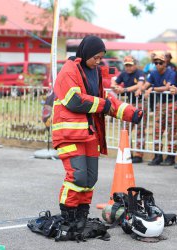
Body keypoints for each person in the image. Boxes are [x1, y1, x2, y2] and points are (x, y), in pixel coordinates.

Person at [52, 35, 143, 238]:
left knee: (90, 179)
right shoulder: (69, 71)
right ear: (85, 54)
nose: (98, 61)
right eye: (96, 57)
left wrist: (131, 113)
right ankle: (68, 216)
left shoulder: (95, 73)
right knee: (77, 176)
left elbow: (106, 100)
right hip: (69, 135)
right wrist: (104, 105)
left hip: (89, 134)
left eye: (101, 57)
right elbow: (74, 101)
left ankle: (81, 216)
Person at [140, 53, 177, 166]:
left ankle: (171, 156)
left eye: (160, 63)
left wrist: (152, 88)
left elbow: (167, 87)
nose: (157, 65)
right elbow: (146, 85)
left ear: (165, 63)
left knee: (171, 130)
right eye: (155, 62)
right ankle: (157, 156)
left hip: (171, 104)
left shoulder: (171, 73)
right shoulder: (153, 73)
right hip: (159, 104)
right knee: (157, 130)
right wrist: (141, 89)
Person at [111, 55, 146, 163]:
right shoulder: (123, 74)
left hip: (139, 103)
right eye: (126, 65)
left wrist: (124, 89)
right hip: (128, 103)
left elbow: (139, 85)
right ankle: (127, 152)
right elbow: (114, 82)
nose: (128, 68)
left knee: (140, 130)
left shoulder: (140, 73)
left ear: (135, 65)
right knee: (125, 129)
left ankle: (139, 154)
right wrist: (115, 87)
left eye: (130, 65)